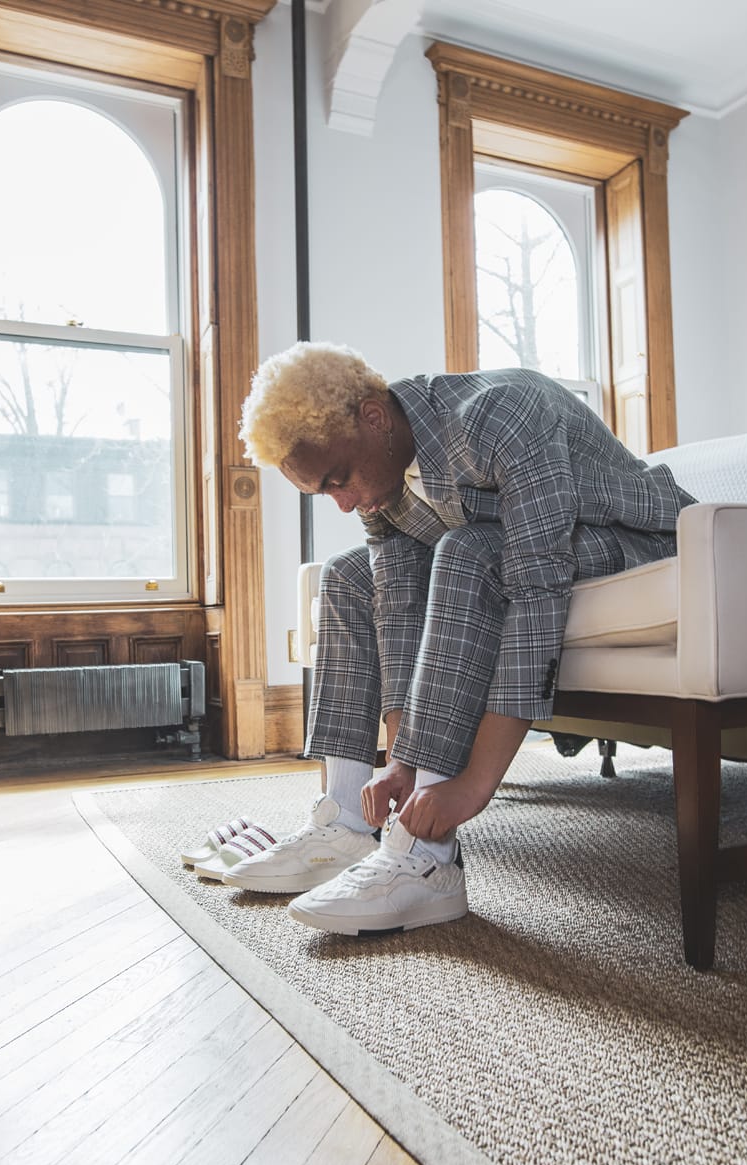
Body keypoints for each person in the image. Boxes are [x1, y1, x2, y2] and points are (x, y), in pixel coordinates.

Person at [229, 341, 695, 936]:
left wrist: (472, 785)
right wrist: (400, 761)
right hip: (530, 549)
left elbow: (534, 588)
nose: (343, 502)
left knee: (468, 550)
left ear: (375, 417)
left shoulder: (499, 415)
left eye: (339, 479)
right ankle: (348, 824)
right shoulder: (383, 480)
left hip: (637, 539)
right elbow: (396, 606)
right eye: (325, 492)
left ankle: (427, 860)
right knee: (349, 574)